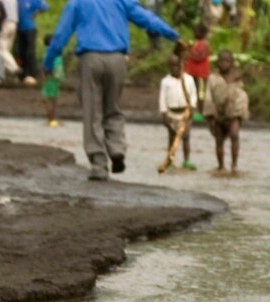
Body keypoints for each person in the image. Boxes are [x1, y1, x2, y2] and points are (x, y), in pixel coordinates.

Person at [43, 0, 181, 180]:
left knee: (93, 112)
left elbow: (61, 35)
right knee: (113, 108)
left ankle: (99, 164)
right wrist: (172, 34)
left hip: (90, 58)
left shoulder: (77, 3)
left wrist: (48, 62)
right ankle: (117, 150)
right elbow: (146, 18)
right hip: (117, 58)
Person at [203, 49, 247, 173]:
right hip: (217, 113)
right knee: (219, 140)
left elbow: (241, 96)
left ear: (231, 62)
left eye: (227, 61)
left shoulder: (237, 78)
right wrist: (211, 115)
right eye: (221, 61)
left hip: (233, 114)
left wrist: (241, 114)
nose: (224, 64)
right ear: (217, 63)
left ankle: (234, 165)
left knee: (234, 135)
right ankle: (221, 166)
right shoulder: (213, 78)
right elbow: (208, 97)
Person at [158, 53, 197, 170]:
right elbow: (162, 98)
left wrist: (192, 108)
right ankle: (170, 160)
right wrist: (164, 113)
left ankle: (186, 160)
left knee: (186, 136)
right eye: (173, 65)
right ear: (169, 66)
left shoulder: (188, 79)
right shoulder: (165, 81)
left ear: (183, 65)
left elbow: (193, 95)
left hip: (185, 112)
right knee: (172, 137)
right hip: (171, 113)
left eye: (178, 65)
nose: (176, 68)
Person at [15, 0, 48, 85]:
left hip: (30, 28)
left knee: (30, 52)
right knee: (21, 52)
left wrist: (35, 13)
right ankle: (23, 75)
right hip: (19, 29)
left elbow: (45, 6)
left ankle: (32, 74)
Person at [184, 23, 210, 118]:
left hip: (201, 74)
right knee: (192, 92)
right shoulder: (195, 43)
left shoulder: (204, 44)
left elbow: (200, 56)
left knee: (201, 94)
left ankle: (201, 112)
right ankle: (193, 111)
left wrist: (190, 51)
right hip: (192, 73)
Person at [40, 32, 63, 126]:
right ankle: (51, 119)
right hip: (52, 80)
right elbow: (52, 68)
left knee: (51, 99)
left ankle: (51, 118)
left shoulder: (49, 53)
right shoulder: (52, 54)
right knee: (51, 100)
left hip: (51, 80)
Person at [0, 0, 20, 79]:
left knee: (1, 49)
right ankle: (2, 70)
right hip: (14, 23)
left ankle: (14, 68)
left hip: (6, 23)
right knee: (7, 49)